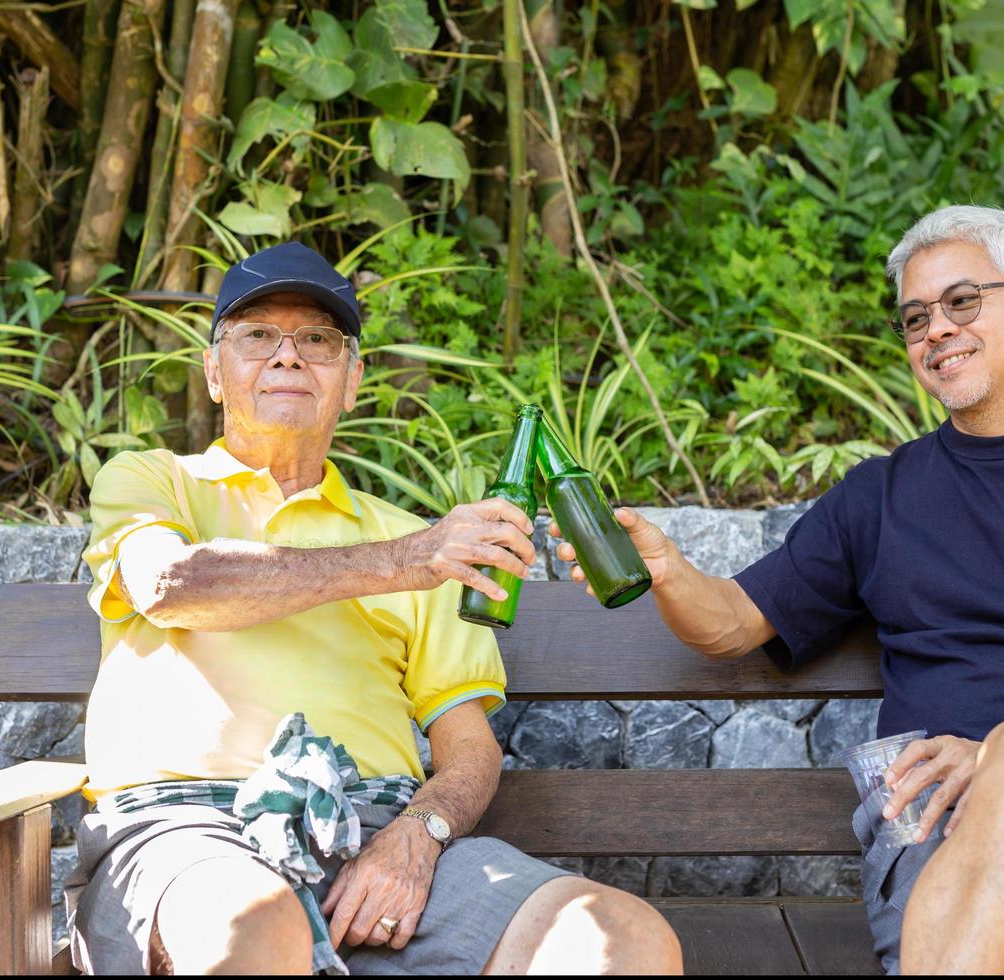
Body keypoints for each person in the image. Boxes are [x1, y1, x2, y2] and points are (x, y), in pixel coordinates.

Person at [551, 205, 1004, 974]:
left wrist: (998, 757)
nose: (936, 331)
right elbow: (731, 624)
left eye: (962, 301)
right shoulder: (880, 496)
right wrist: (668, 573)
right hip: (936, 817)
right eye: (915, 318)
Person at [65, 241, 683, 975]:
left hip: (378, 833)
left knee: (625, 940)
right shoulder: (152, 481)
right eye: (257, 335)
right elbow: (170, 584)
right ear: (213, 373)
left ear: (352, 382)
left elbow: (468, 747)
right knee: (249, 930)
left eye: (319, 340)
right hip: (191, 831)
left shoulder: (412, 536)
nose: (288, 357)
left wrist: (419, 835)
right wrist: (404, 562)